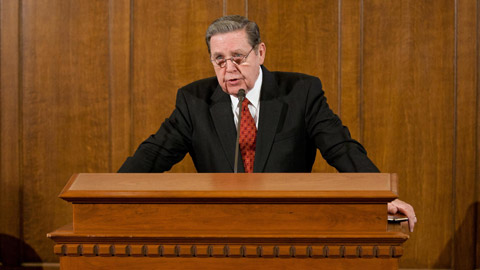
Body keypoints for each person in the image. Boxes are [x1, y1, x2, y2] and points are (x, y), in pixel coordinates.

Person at [118, 15, 416, 231]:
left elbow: (341, 147)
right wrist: (111, 193)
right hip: (219, 230)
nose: (229, 69)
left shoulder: (301, 92)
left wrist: (381, 197)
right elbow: (153, 154)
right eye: (219, 60)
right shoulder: (194, 100)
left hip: (289, 226)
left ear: (260, 52)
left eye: (237, 57)